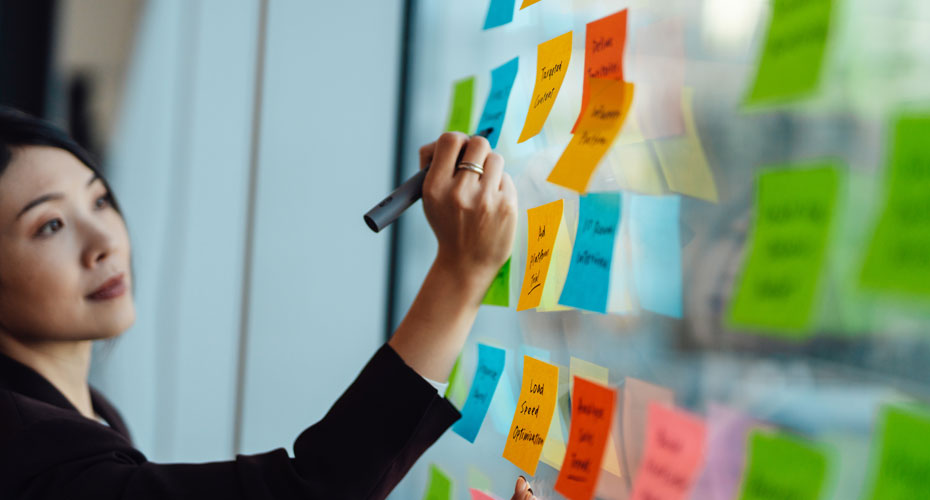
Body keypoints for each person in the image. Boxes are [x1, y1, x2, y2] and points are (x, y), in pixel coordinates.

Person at [0, 107, 536, 500]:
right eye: (49, 225)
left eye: (99, 199)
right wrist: (462, 274)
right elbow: (312, 490)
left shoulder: (84, 414)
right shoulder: (27, 448)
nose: (104, 242)